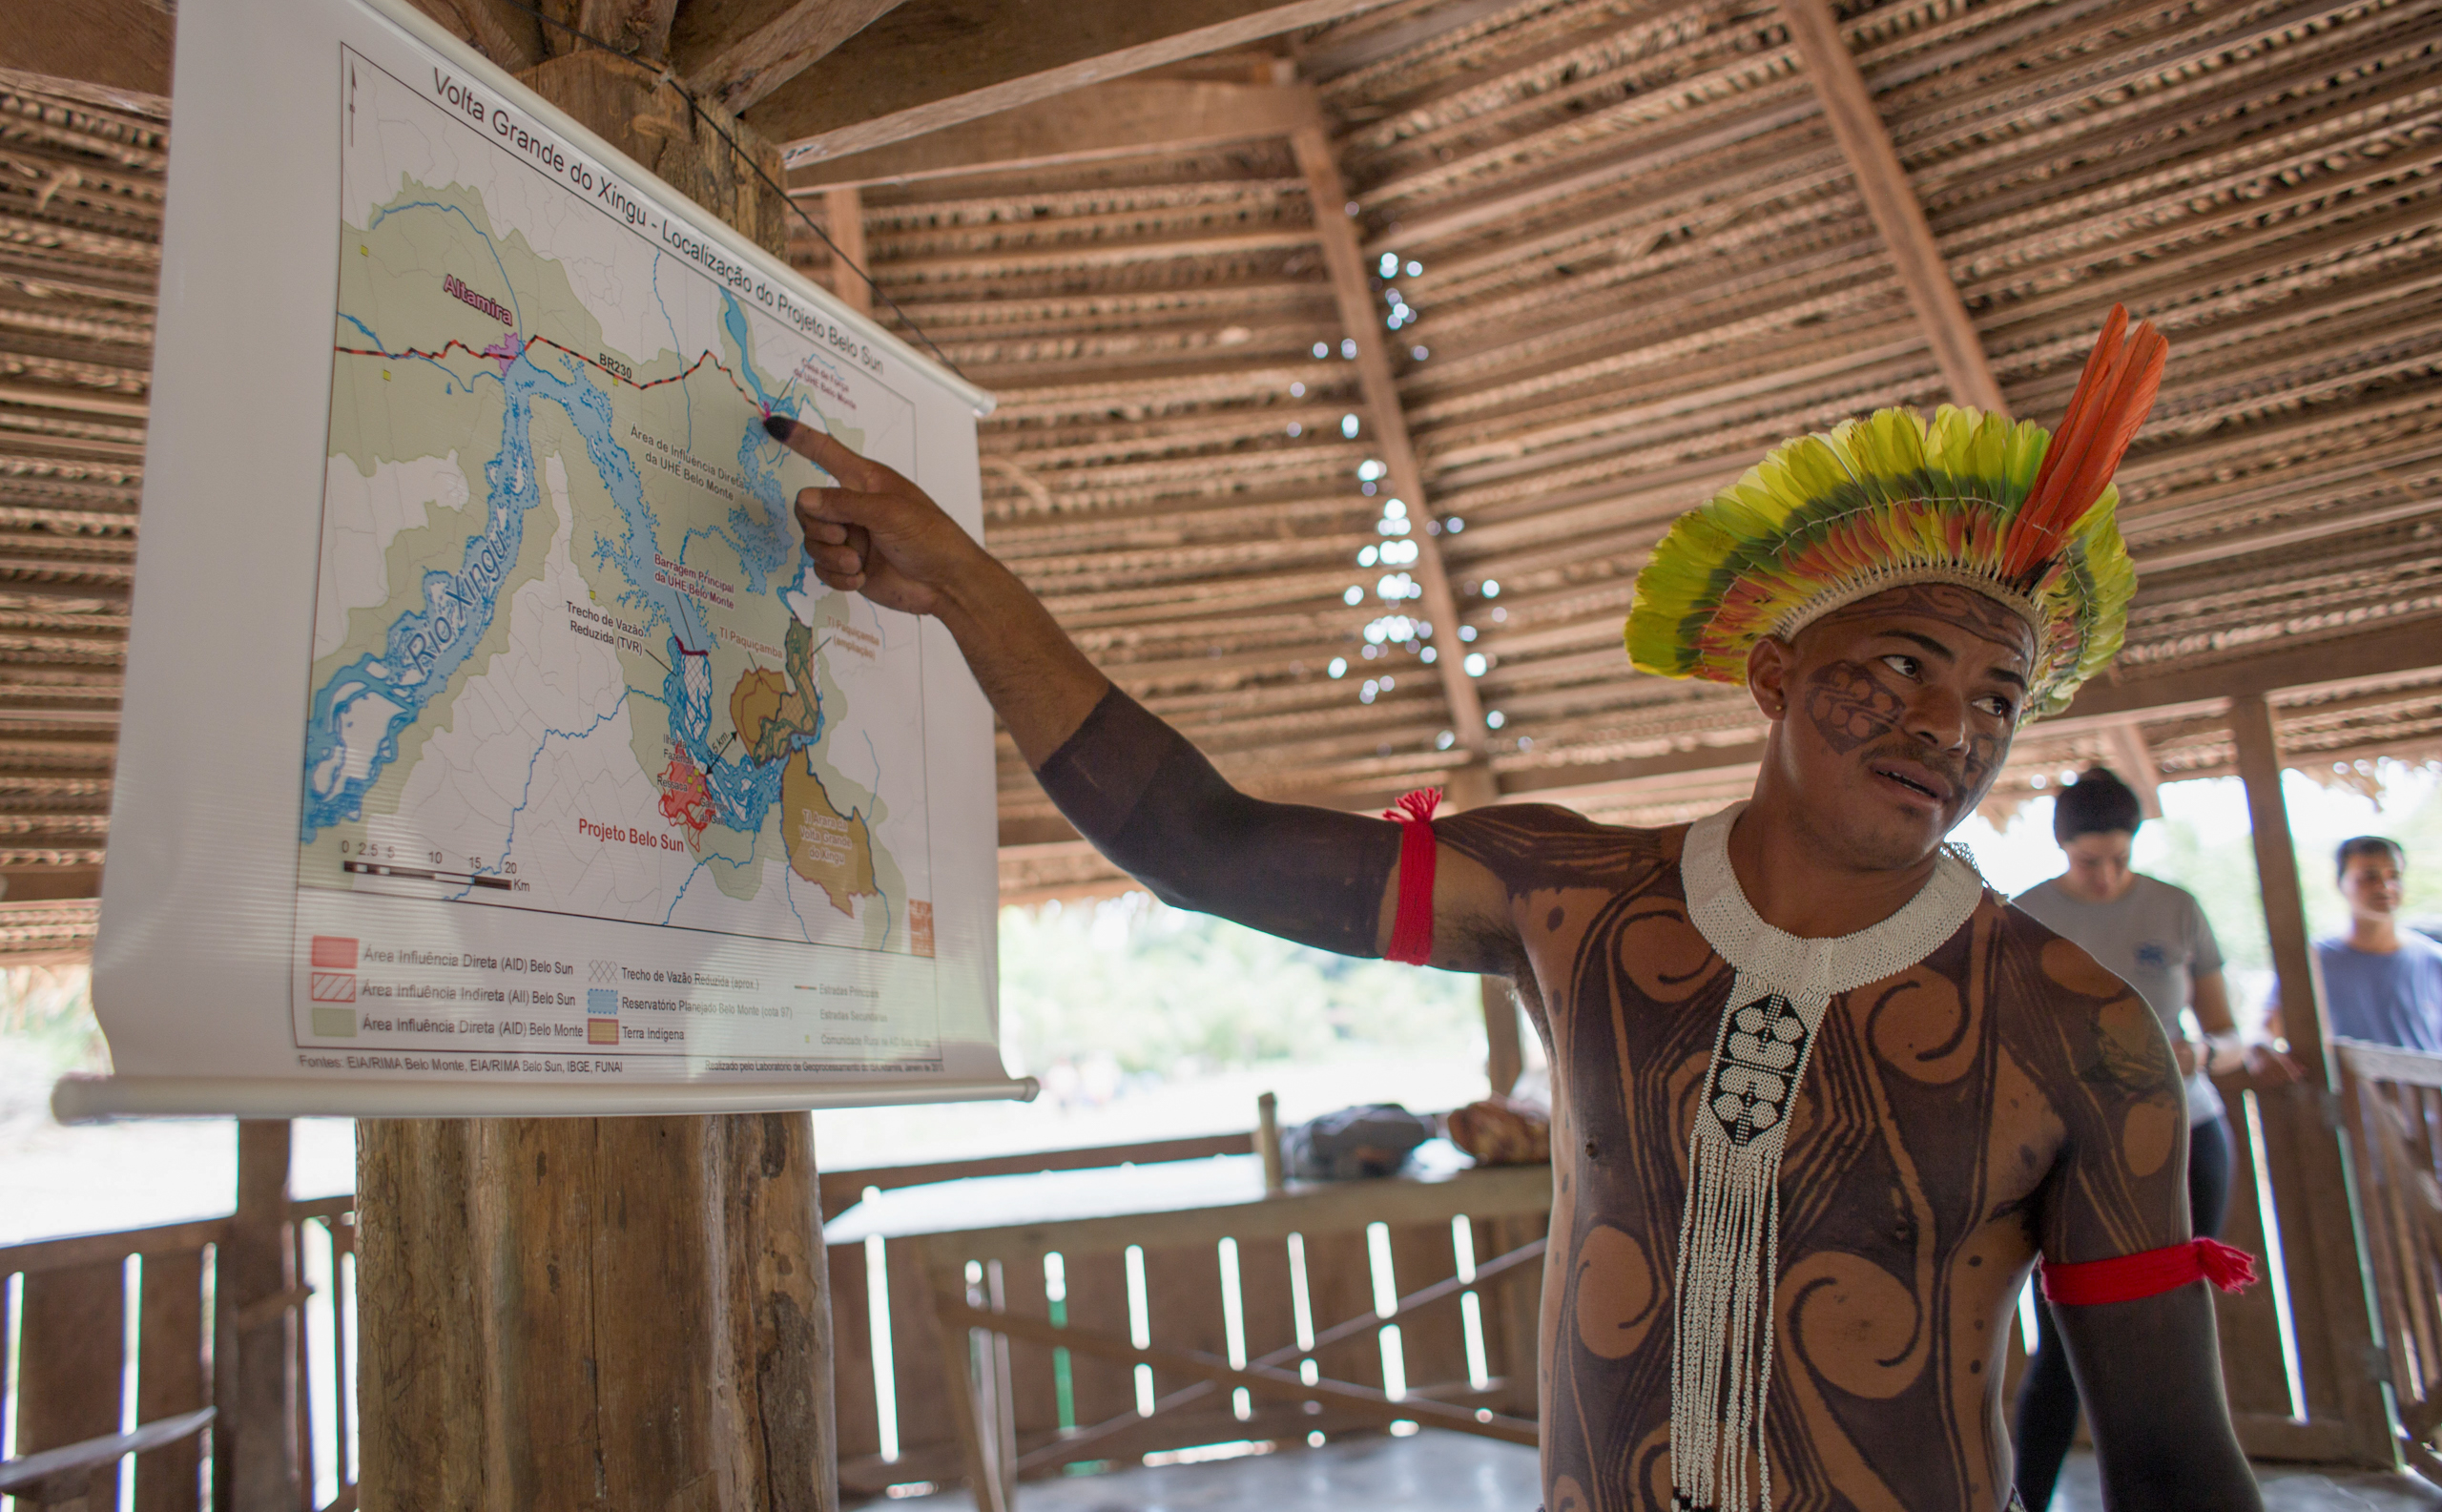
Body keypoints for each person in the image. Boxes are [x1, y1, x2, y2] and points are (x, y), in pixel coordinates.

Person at [777, 306, 2261, 1508]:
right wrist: (963, 583)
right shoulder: (1574, 895)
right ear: (1773, 671)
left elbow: (2179, 1467)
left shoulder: (2084, 1032)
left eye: (1998, 694)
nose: (1951, 724)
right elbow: (1199, 841)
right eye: (1904, 662)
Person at [2009, 766, 2298, 1509]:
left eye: (2118, 858)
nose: (2105, 876)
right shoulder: (2025, 916)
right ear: (2061, 849)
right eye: (2086, 861)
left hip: (2186, 1134)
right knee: (2066, 1346)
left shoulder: (2176, 910)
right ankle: (2022, 1498)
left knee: (2176, 1345)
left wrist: (2208, 1053)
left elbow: (2227, 1034)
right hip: (2072, 1151)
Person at [2266, 836, 2442, 1051]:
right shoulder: (2313, 960)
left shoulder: (2434, 960)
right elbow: (2267, 1030)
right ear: (2340, 883)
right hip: (2344, 1085)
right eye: (2369, 876)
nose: (2385, 886)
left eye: (2394, 875)